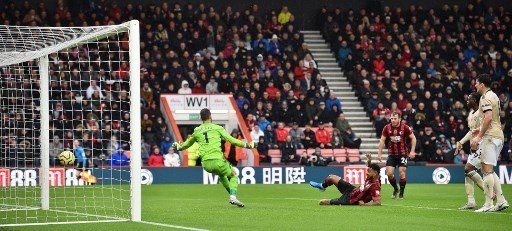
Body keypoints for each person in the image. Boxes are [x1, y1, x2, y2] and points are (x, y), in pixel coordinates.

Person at [173, 108, 256, 207]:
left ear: (201, 118)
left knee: (222, 175)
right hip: (217, 161)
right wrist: (248, 145)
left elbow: (186, 145)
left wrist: (178, 147)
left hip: (206, 165)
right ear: (210, 116)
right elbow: (232, 140)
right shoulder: (217, 128)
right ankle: (233, 197)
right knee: (233, 176)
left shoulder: (197, 130)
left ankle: (233, 197)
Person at [470, 74, 508, 212]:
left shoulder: (485, 97)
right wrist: (478, 129)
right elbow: (493, 119)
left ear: (482, 84)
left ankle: (488, 204)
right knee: (490, 169)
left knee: (486, 170)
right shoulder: (494, 96)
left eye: (476, 83)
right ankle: (502, 201)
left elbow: (488, 118)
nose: (475, 85)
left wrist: (479, 136)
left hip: (490, 136)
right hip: (498, 135)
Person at [309, 154, 381, 206]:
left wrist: (365, 204)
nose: (366, 173)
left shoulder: (375, 186)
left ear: (375, 173)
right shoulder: (372, 177)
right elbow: (373, 170)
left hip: (350, 200)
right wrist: (369, 162)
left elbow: (377, 202)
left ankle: (335, 201)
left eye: (369, 172)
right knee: (331, 177)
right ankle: (322, 186)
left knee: (322, 202)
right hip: (351, 190)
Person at [455, 92, 484, 209]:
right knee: (467, 173)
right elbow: (471, 131)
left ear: (476, 101)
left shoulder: (481, 112)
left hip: (482, 145)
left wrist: (478, 141)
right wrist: (461, 142)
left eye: (469, 99)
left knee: (469, 169)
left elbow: (485, 128)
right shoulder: (471, 113)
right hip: (474, 146)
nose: (467, 101)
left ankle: (491, 193)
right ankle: (471, 201)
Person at [378, 112, 416, 199]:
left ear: (399, 119)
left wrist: (412, 151)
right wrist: (379, 153)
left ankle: (401, 193)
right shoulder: (387, 128)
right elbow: (382, 140)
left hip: (402, 154)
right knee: (389, 174)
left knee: (402, 172)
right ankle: (396, 189)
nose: (393, 120)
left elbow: (413, 138)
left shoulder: (405, 127)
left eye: (395, 118)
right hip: (392, 154)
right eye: (391, 118)